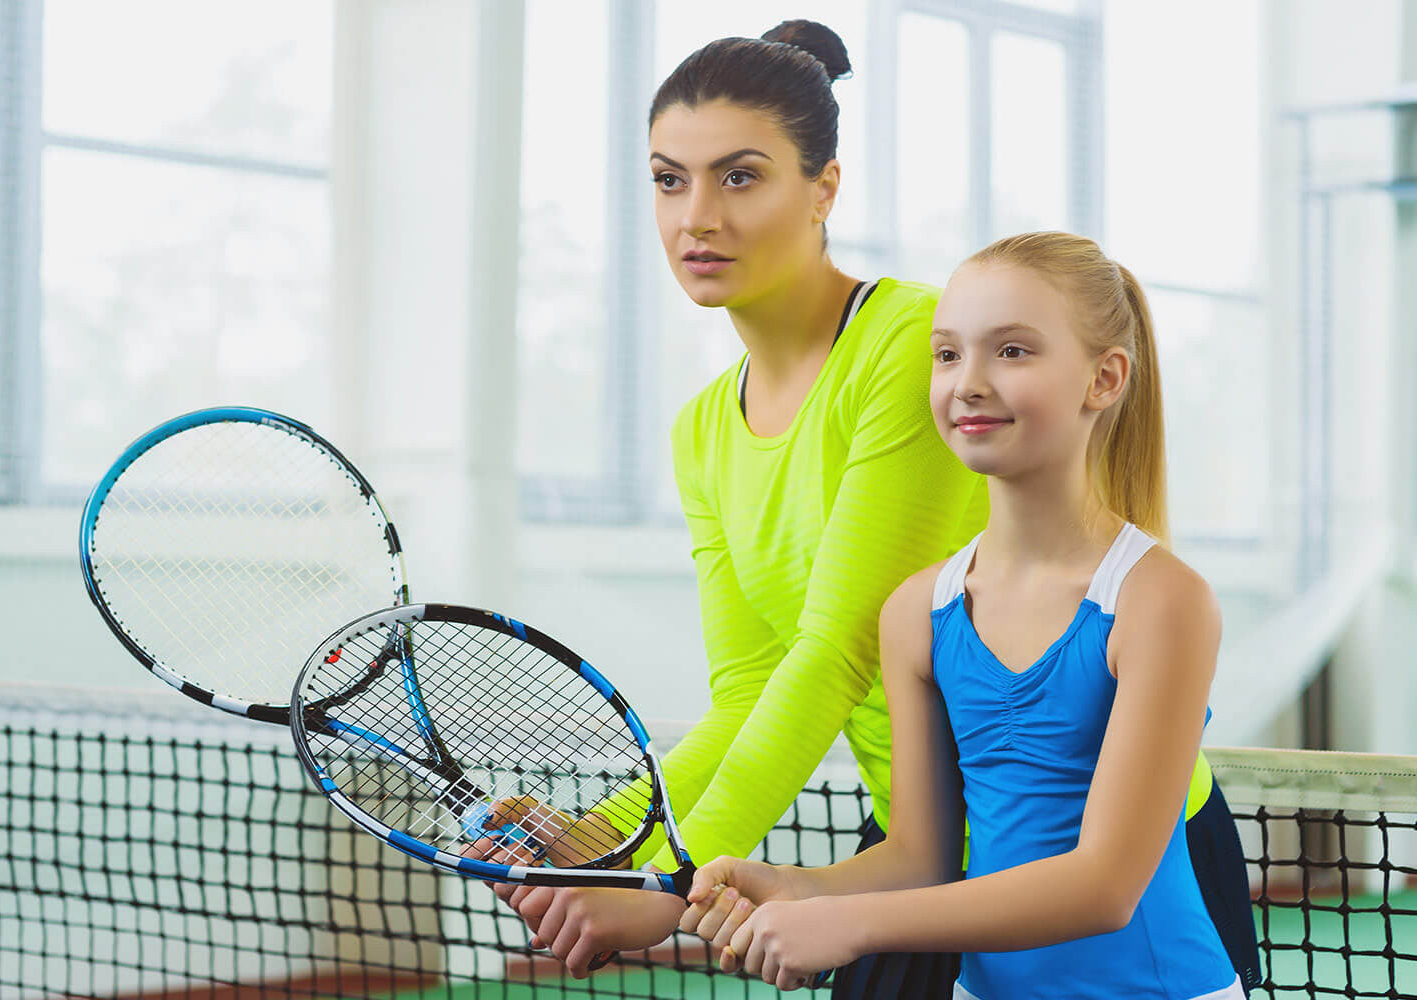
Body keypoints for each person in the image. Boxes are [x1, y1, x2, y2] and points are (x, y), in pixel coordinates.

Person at [493, 22, 1258, 999]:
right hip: (921, 845)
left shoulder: (909, 345)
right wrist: (611, 838)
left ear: (824, 188)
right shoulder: (698, 431)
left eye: (738, 177)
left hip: (1124, 864)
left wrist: (668, 880)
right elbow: (748, 690)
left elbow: (833, 650)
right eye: (666, 179)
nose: (696, 217)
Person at [677, 232, 1254, 999]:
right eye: (947, 355)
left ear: (1104, 378)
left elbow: (1105, 886)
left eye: (1012, 352)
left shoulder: (1162, 600)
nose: (968, 383)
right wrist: (797, 886)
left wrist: (852, 926)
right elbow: (918, 856)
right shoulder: (918, 610)